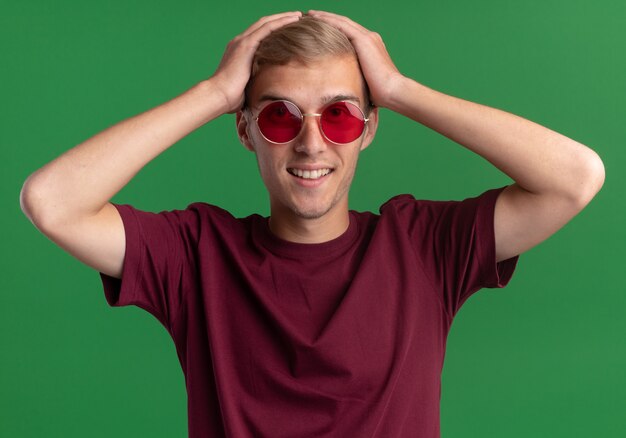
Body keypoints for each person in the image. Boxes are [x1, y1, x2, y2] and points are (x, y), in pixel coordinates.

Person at [20, 10, 604, 438]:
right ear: (245, 130)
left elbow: (576, 176)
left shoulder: (424, 249)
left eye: (340, 116)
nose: (310, 143)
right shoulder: (196, 255)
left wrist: (399, 90)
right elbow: (51, 201)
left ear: (369, 128)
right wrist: (214, 92)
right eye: (279, 115)